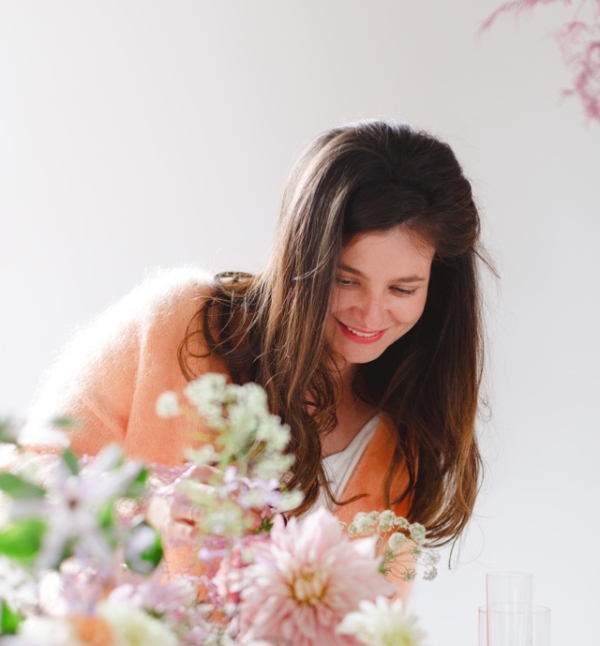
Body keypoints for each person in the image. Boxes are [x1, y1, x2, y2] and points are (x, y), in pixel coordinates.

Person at [26, 119, 484, 555]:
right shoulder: (179, 324)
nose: (369, 312)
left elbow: (376, 624)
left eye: (403, 289)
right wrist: (148, 509)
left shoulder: (406, 432)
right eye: (344, 280)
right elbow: (23, 483)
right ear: (302, 261)